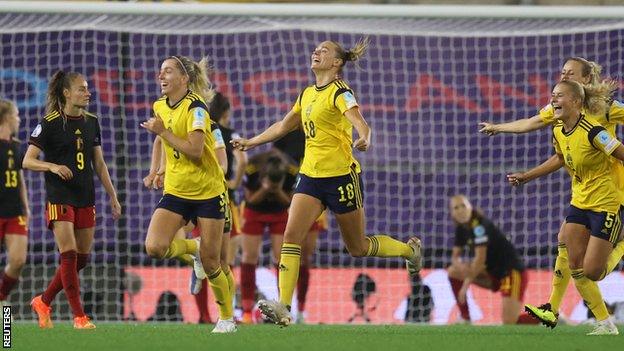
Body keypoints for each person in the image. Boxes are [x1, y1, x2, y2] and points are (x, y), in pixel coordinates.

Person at [232, 37, 422, 326]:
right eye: (315, 49)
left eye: (324, 50)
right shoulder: (307, 94)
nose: (316, 52)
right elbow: (284, 126)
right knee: (290, 236)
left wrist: (365, 137)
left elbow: (360, 121)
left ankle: (410, 250)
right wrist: (252, 141)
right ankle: (284, 307)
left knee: (356, 248)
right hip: (310, 177)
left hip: (341, 177)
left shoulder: (340, 91)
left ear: (336, 63)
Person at [479, 57, 624, 329]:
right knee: (568, 246)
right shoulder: (560, 119)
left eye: (570, 73)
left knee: (591, 268)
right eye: (562, 73)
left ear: (584, 80)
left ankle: (563, 309)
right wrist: (499, 129)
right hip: (582, 194)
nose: (563, 76)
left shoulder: (604, 112)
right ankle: (573, 314)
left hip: (614, 193)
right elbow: (536, 125)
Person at [140, 55, 235, 333]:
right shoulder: (160, 105)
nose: (161, 76)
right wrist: (157, 170)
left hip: (208, 191)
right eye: (160, 71)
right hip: (177, 191)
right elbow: (162, 139)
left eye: (168, 71)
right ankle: (192, 248)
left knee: (213, 262)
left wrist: (163, 132)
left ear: (184, 79)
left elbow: (193, 150)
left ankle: (227, 318)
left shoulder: (197, 109)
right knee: (155, 248)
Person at [24, 71, 121, 329]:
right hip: (59, 196)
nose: (87, 93)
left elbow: (99, 163)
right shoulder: (50, 122)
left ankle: (43, 301)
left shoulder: (92, 122)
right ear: (66, 93)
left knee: (82, 259)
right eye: (81, 89)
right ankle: (80, 317)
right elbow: (27, 160)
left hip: (85, 196)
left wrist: (112, 196)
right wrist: (52, 167)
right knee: (68, 255)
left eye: (87, 89)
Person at [447, 195, 538, 325]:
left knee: (509, 323)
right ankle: (465, 318)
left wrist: (465, 284)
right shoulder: (462, 228)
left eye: (464, 206)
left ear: (470, 207)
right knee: (453, 271)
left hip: (511, 273)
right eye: (456, 208)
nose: (461, 210)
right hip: (493, 274)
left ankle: (549, 316)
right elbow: (455, 257)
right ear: (452, 213)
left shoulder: (480, 226)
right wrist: (461, 267)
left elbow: (480, 259)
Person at [273, 129, 328, 324]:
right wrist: (290, 166)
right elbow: (275, 150)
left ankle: (301, 310)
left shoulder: (324, 127)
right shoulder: (289, 129)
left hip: (317, 193)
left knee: (305, 257)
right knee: (284, 252)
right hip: (290, 196)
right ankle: (283, 304)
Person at [239, 149, 298, 324]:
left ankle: (284, 310)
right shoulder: (251, 168)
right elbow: (250, 200)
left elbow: (290, 201)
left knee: (281, 259)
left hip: (279, 213)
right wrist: (266, 190)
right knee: (249, 257)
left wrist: (277, 191)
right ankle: (247, 313)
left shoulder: (292, 171)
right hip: (254, 212)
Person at [0, 99, 29, 309]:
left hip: (14, 211)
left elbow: (19, 179)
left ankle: (1, 298)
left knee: (18, 260)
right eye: (16, 115)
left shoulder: (18, 146)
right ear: (7, 117)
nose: (18, 119)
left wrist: (26, 207)